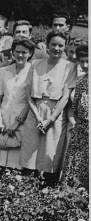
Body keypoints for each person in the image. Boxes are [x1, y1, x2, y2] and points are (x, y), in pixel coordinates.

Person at [20, 31, 77, 186]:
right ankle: (24, 191)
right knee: (30, 155)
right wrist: (39, 118)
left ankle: (47, 190)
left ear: (65, 47)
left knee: (50, 155)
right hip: (35, 113)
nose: (56, 48)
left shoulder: (69, 67)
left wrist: (50, 120)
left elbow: (65, 97)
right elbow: (28, 95)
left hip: (56, 115)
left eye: (60, 45)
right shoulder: (35, 64)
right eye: (53, 44)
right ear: (47, 45)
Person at [0, 37, 34, 170]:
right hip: (3, 119)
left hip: (22, 121)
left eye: (24, 52)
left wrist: (17, 123)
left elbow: (31, 100)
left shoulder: (33, 72)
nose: (20, 55)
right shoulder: (3, 71)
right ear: (12, 52)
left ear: (30, 53)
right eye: (17, 51)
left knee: (15, 164)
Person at [61, 44, 88, 189]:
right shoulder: (80, 81)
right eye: (82, 61)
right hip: (80, 133)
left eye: (88, 61)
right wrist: (74, 124)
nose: (85, 65)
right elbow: (71, 109)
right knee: (75, 172)